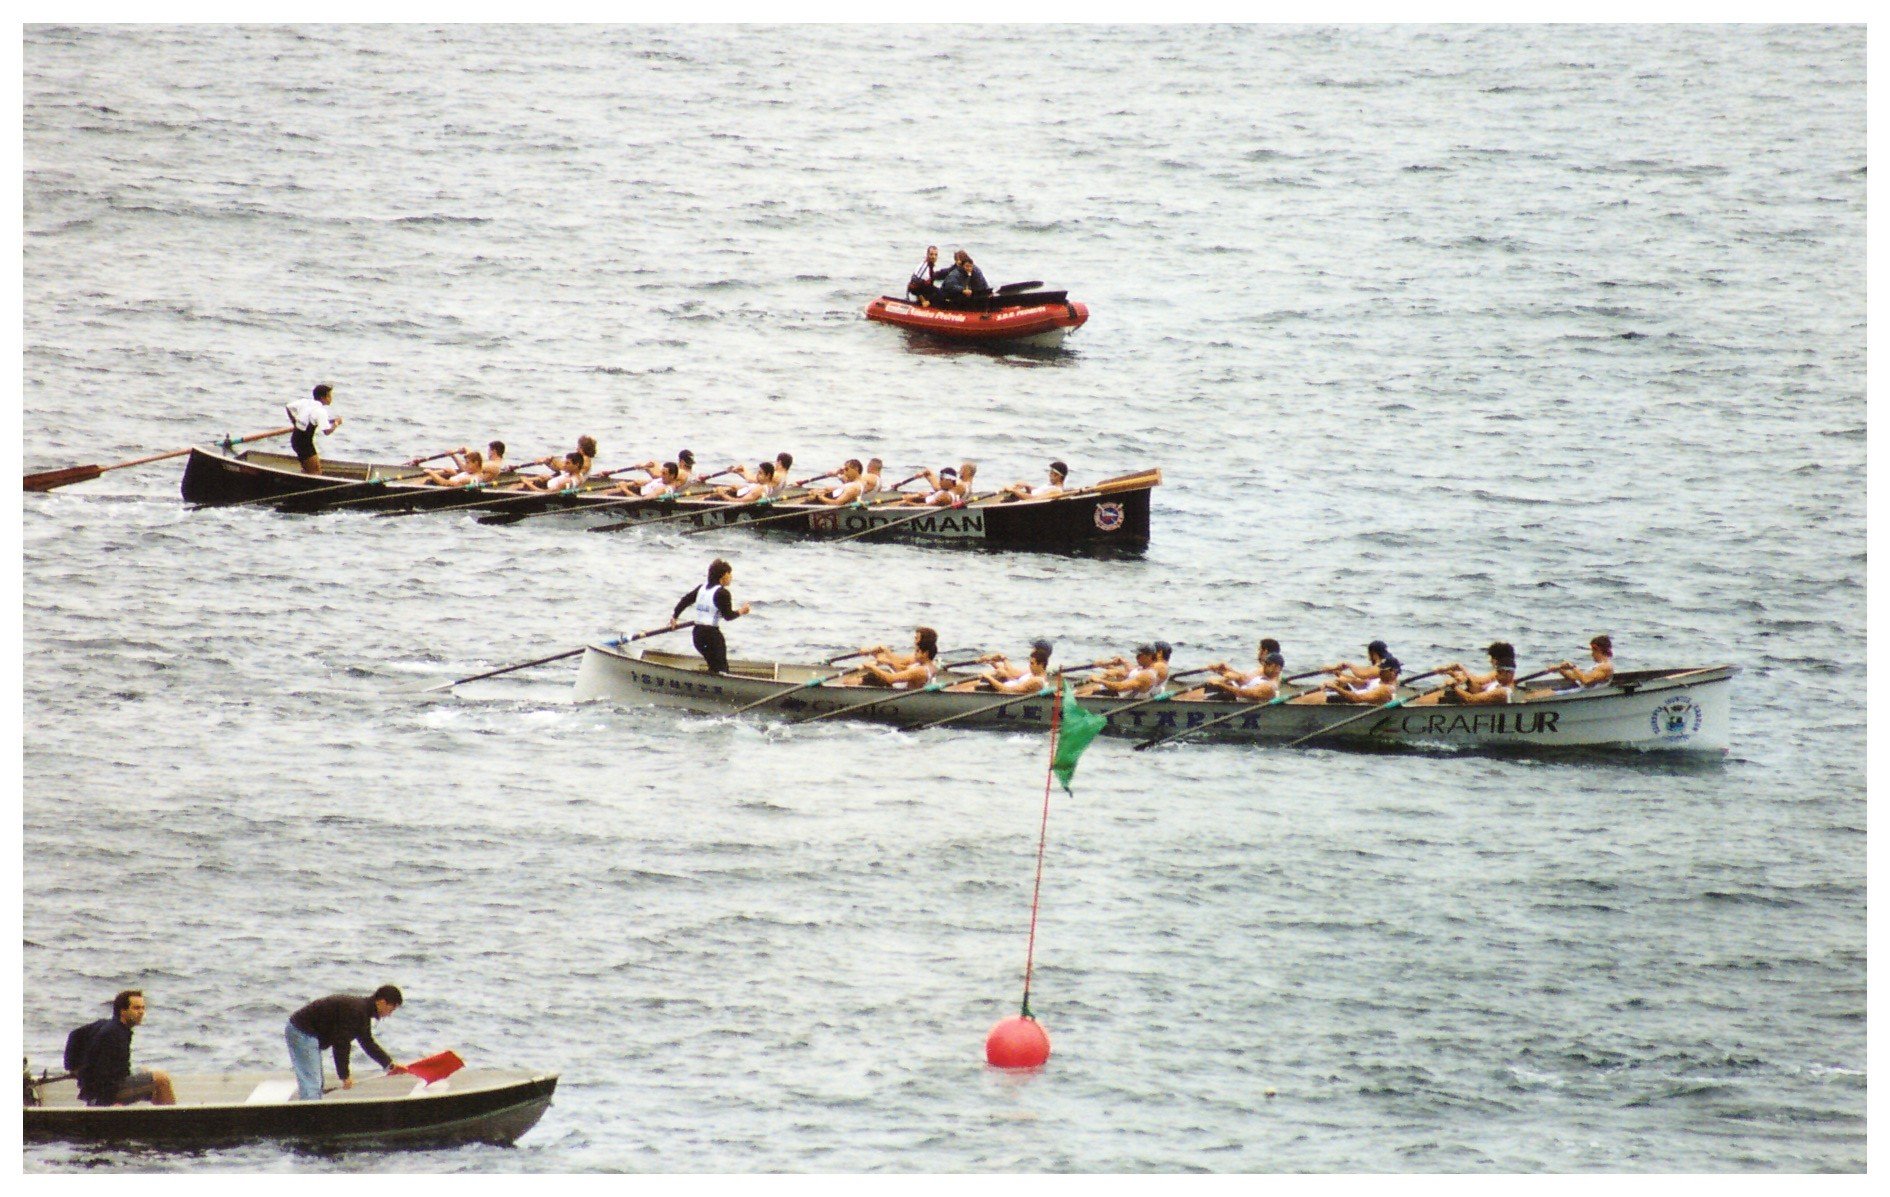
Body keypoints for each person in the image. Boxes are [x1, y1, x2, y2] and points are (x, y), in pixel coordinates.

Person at [285, 985, 409, 1101]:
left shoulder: (363, 1012)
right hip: (301, 1031)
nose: (390, 1014)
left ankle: (312, 1110)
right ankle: (310, 1116)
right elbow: (341, 1043)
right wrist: (344, 1075)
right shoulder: (356, 1011)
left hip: (309, 1033)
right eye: (391, 1009)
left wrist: (389, 1065)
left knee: (316, 1082)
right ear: (382, 1002)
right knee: (312, 1083)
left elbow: (367, 1043)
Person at [65, 989, 175, 1107]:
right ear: (123, 1011)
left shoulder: (107, 1025)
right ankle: (173, 1122)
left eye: (143, 1008)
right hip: (104, 1095)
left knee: (145, 1071)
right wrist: (110, 1102)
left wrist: (73, 1067)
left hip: (104, 1088)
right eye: (136, 1008)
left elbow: (75, 1034)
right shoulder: (114, 1033)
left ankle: (157, 1121)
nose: (142, 1012)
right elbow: (105, 1075)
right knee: (162, 1079)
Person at [670, 558, 750, 674]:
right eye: (730, 574)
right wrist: (742, 611)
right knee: (722, 669)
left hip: (697, 634)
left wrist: (674, 617)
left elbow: (685, 601)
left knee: (713, 666)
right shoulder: (723, 593)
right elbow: (728, 616)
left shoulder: (701, 588)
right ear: (724, 575)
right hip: (711, 635)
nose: (731, 577)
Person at [1417, 642, 1520, 706]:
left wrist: (1459, 671)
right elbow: (1476, 686)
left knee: (1439, 696)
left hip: (1475, 704)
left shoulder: (1497, 677)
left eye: (1491, 658)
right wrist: (1452, 673)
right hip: (1477, 701)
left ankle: (1418, 704)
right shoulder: (1499, 678)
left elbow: (1475, 688)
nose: (1490, 661)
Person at [1177, 641, 1285, 702]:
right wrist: (1222, 671)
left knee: (1221, 688)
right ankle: (1180, 699)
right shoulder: (1265, 674)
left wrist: (1221, 684)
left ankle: (1181, 702)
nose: (1263, 665)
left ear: (1276, 667)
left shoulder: (1270, 686)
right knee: (1214, 685)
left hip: (1240, 700)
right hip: (1239, 695)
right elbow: (1243, 679)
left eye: (1266, 664)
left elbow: (1243, 693)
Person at [845, 626, 940, 689]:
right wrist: (886, 661)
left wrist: (872, 666)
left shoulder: (920, 670)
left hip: (898, 689)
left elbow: (891, 678)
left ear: (926, 653)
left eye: (917, 651)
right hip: (900, 685)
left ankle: (845, 687)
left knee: (872, 677)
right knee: (875, 675)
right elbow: (902, 669)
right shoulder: (927, 665)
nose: (915, 653)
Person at [948, 639, 1052, 694]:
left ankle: (948, 693)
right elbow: (1010, 674)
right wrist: (992, 662)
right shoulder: (1032, 674)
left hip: (1003, 692)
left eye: (1032, 663)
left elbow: (1009, 689)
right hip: (1003, 688)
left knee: (984, 680)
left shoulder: (1037, 680)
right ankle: (948, 690)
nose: (1030, 666)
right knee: (999, 673)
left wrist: (989, 678)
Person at [1294, 655, 1402, 704]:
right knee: (1339, 682)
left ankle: (1291, 708)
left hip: (1354, 701)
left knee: (1312, 698)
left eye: (1384, 670)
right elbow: (1360, 682)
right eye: (1380, 669)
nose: (1380, 672)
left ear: (1394, 672)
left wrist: (1336, 688)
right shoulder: (1382, 679)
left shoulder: (1385, 689)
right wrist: (1337, 673)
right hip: (1354, 695)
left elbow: (1358, 699)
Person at [284, 383, 342, 476]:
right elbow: (327, 431)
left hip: (296, 439)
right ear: (323, 398)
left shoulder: (305, 402)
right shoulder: (320, 411)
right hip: (304, 444)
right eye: (329, 396)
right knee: (316, 472)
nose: (331, 399)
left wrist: (294, 421)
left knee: (309, 469)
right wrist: (336, 423)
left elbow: (288, 407)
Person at [1079, 644, 1162, 698]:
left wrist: (1099, 680)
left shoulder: (1147, 675)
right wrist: (1109, 664)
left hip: (1124, 700)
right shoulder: (1144, 668)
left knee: (1091, 693)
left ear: (1149, 656)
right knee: (1090, 689)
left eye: (1139, 655)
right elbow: (1130, 670)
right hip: (1121, 694)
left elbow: (1120, 687)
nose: (1136, 657)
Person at [711, 460, 777, 503]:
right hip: (735, 495)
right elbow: (749, 490)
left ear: (768, 475)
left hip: (732, 501)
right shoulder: (765, 486)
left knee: (709, 496)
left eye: (760, 473)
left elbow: (741, 502)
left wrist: (723, 495)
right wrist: (739, 488)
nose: (757, 475)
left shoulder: (760, 489)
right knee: (716, 492)